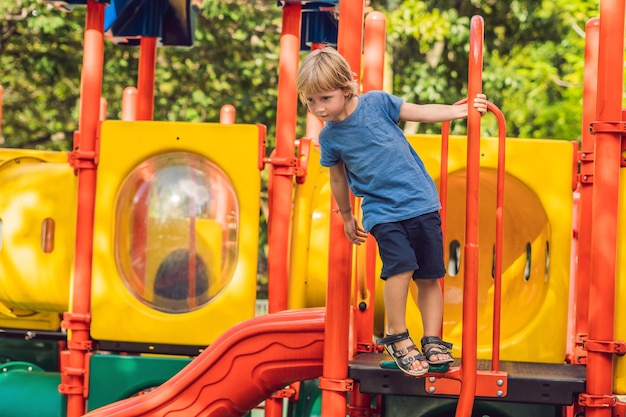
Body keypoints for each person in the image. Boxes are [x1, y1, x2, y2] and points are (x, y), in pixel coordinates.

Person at [295, 47, 488, 377]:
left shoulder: (377, 103)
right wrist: (346, 215)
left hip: (421, 201)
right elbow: (338, 177)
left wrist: (462, 112)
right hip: (382, 211)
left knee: (429, 275)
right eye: (310, 101)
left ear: (346, 87)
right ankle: (397, 337)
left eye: (324, 98)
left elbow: (420, 112)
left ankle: (432, 340)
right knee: (399, 268)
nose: (318, 108)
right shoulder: (330, 138)